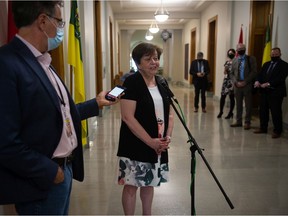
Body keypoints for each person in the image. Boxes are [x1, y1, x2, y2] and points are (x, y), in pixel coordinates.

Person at [0, 1, 118, 214]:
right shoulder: (7, 63)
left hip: (63, 171)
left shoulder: (43, 62)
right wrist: (51, 172)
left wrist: (95, 104)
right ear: (43, 21)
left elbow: (58, 114)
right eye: (60, 22)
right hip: (41, 183)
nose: (61, 29)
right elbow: (4, 141)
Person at [117, 42, 174, 215]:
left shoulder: (161, 82)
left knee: (149, 183)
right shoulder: (131, 82)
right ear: (138, 62)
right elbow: (127, 117)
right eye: (148, 59)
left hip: (158, 143)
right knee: (131, 185)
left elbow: (170, 114)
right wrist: (151, 142)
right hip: (136, 142)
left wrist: (167, 138)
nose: (154, 62)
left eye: (156, 58)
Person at [253, 47, 288, 138]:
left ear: (280, 54)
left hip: (276, 93)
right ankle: (263, 128)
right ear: (270, 55)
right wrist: (257, 81)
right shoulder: (266, 64)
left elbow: (281, 79)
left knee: (275, 112)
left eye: (276, 54)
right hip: (264, 92)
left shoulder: (284, 65)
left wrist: (268, 84)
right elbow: (260, 75)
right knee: (263, 111)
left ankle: (277, 131)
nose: (274, 56)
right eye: (272, 54)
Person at [230, 43, 257, 130]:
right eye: (239, 48)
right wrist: (235, 82)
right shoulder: (234, 60)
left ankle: (247, 122)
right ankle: (238, 121)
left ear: (245, 49)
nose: (240, 50)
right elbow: (231, 73)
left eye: (242, 48)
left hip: (247, 85)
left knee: (248, 104)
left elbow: (254, 72)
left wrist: (245, 81)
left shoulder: (251, 59)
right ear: (236, 50)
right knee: (238, 104)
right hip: (237, 86)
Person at [217, 48, 236, 119]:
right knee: (223, 96)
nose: (230, 54)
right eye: (229, 53)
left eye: (231, 53)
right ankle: (221, 111)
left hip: (232, 81)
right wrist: (226, 70)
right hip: (226, 81)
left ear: (234, 54)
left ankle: (231, 112)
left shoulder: (236, 62)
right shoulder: (227, 62)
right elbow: (224, 72)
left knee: (231, 97)